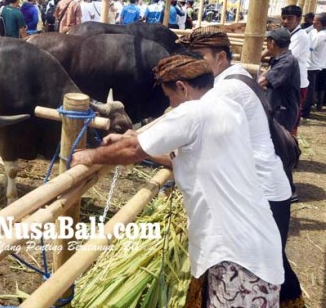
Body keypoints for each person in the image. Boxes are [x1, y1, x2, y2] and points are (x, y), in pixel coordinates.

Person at [71, 53, 283, 307]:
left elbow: (133, 151)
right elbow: (185, 157)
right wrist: (130, 140)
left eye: (170, 97)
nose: (170, 105)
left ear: (182, 87)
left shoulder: (193, 112)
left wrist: (89, 156)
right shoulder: (228, 108)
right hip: (251, 243)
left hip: (236, 256)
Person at [180, 27, 304, 306]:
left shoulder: (225, 90)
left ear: (220, 57)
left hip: (261, 192)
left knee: (267, 266)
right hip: (264, 186)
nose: (196, 68)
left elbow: (195, 134)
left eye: (201, 59)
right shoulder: (238, 77)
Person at [258, 27, 301, 133]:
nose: (266, 45)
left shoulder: (287, 62)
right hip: (277, 108)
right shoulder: (279, 59)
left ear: (272, 43)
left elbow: (261, 82)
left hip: (282, 112)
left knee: (277, 142)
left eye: (267, 42)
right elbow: (265, 74)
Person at [280, 5, 310, 135]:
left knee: (293, 114)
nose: (286, 21)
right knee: (285, 112)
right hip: (288, 79)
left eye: (290, 18)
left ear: (298, 19)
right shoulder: (288, 33)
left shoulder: (300, 37)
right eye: (284, 18)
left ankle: (291, 144)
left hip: (297, 81)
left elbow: (287, 57)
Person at [304, 12, 326, 116]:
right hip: (315, 63)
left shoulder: (321, 35)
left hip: (312, 64)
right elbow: (304, 31)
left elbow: (311, 47)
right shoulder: (315, 31)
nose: (313, 22)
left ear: (320, 23)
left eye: (315, 20)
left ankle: (306, 110)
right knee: (311, 87)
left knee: (309, 88)